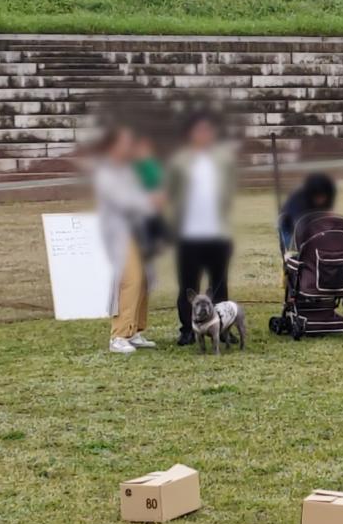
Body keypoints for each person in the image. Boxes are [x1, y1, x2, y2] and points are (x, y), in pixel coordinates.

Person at [166, 111, 237, 346]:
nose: (204, 135)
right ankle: (188, 328)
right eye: (200, 131)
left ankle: (223, 326)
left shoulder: (223, 160)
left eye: (208, 130)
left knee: (219, 283)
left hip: (217, 233)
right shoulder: (180, 161)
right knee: (188, 284)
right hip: (189, 235)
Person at [93, 126, 162, 354]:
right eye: (124, 142)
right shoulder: (107, 171)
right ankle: (119, 334)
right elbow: (124, 201)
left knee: (144, 279)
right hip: (120, 233)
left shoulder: (131, 169)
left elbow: (154, 183)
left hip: (140, 230)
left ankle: (135, 329)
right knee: (129, 280)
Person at [279, 171, 337, 252]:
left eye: (323, 196)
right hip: (290, 228)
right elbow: (298, 226)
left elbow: (328, 216)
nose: (321, 200)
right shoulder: (298, 201)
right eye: (318, 197)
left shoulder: (328, 193)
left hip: (309, 227)